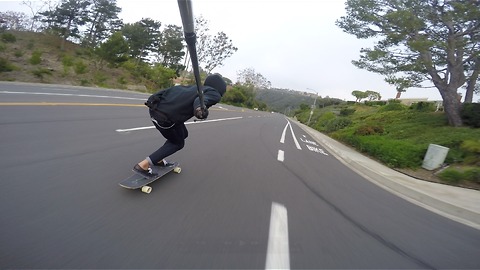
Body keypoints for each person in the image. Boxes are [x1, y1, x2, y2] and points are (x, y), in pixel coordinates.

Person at [133, 74, 227, 177]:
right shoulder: (214, 93)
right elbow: (200, 101)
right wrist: (199, 109)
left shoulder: (192, 88)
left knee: (183, 134)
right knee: (178, 143)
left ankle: (158, 158)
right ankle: (143, 166)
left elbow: (165, 91)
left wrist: (152, 101)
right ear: (221, 88)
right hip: (166, 119)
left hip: (155, 110)